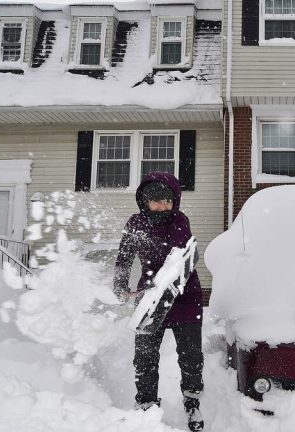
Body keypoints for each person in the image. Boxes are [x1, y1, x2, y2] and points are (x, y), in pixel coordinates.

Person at [113, 172, 204, 432]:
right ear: (144, 201)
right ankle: (146, 402)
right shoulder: (135, 223)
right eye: (155, 201)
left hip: (184, 296)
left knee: (190, 355)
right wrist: (121, 284)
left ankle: (192, 398)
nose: (162, 206)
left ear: (175, 200)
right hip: (150, 298)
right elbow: (124, 257)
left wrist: (158, 283)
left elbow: (176, 259)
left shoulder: (180, 221)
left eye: (167, 200)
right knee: (145, 356)